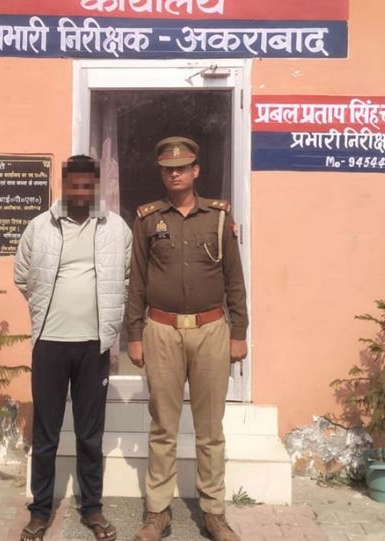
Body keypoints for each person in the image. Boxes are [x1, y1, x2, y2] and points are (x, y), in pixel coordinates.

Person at [127, 137, 248, 541]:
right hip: (161, 330)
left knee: (210, 429)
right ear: (161, 173)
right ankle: (157, 513)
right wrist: (134, 334)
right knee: (163, 426)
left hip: (212, 330)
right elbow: (136, 282)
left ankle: (214, 513)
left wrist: (239, 331)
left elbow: (234, 280)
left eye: (182, 167)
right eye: (168, 168)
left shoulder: (218, 217)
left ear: (196, 170)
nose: (175, 173)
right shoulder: (148, 219)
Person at [14, 155, 132, 541]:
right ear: (64, 186)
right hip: (49, 343)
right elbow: (22, 275)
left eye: (87, 185)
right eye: (74, 185)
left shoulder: (116, 228)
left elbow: (127, 276)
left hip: (94, 345)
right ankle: (40, 511)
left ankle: (92, 509)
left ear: (96, 187)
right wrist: (46, 310)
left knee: (89, 435)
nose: (80, 192)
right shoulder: (39, 227)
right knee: (46, 433)